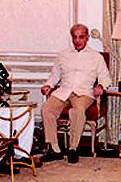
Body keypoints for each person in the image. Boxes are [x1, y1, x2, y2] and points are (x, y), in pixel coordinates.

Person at [40, 24, 110, 164]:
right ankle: (55, 149)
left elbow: (105, 77)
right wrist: (48, 85)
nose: (77, 40)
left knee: (77, 111)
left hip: (84, 93)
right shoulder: (63, 55)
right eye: (75, 37)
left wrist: (100, 86)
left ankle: (73, 148)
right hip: (64, 91)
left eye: (81, 37)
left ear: (87, 38)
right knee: (47, 109)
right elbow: (54, 76)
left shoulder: (96, 57)